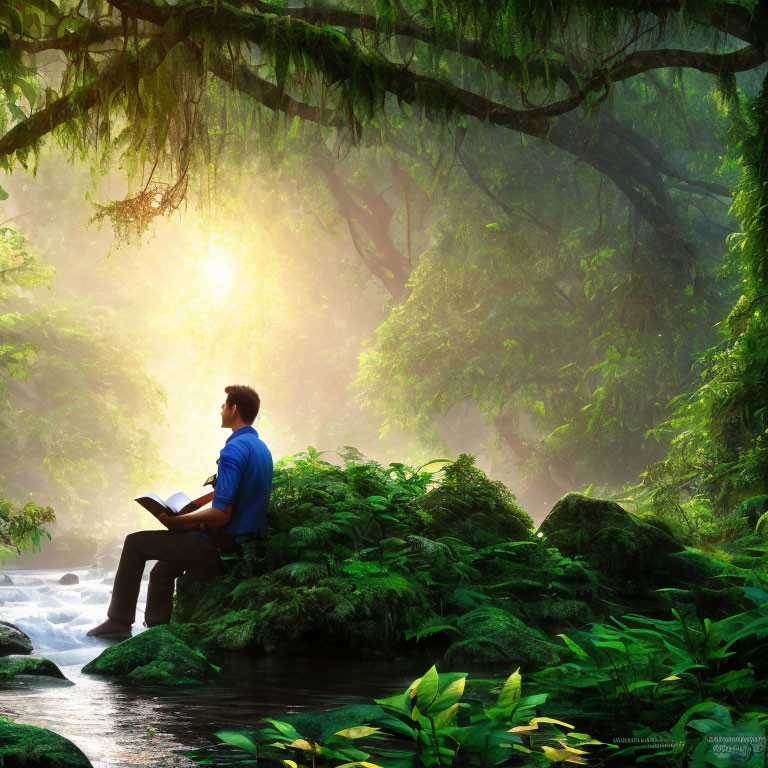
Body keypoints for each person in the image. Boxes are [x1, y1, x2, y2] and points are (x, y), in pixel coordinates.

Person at [87, 385, 272, 639]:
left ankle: (118, 622)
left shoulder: (233, 450)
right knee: (163, 570)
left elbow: (221, 515)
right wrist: (191, 511)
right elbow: (239, 498)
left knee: (134, 543)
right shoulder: (261, 449)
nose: (221, 409)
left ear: (234, 409)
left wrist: (177, 522)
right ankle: (157, 631)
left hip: (222, 547)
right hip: (247, 545)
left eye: (224, 405)